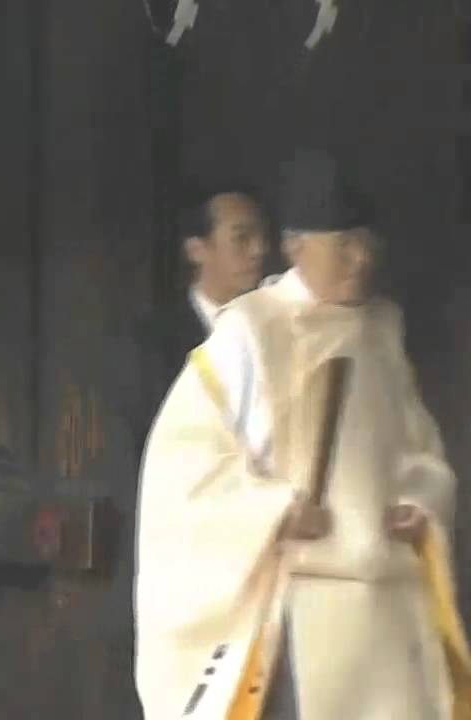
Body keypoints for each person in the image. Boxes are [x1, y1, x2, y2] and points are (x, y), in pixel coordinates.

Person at [133, 149, 470, 719]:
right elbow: (183, 474)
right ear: (296, 247)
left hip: (387, 610)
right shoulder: (250, 333)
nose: (361, 259)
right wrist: (276, 511)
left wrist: (419, 502)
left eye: (367, 244)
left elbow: (419, 449)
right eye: (345, 245)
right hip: (299, 602)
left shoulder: (381, 331)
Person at [130, 186, 270, 447]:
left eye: (262, 236)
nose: (258, 249)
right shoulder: (151, 343)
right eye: (241, 238)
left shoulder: (274, 328)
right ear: (196, 249)